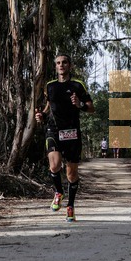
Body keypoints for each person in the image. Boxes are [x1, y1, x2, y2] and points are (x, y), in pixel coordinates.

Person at [35, 53, 94, 222]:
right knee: (54, 166)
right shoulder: (50, 86)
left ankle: (71, 206)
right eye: (58, 63)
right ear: (56, 67)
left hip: (72, 132)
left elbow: (91, 108)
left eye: (64, 62)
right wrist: (42, 116)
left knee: (71, 174)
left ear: (70, 65)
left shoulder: (77, 85)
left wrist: (79, 104)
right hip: (53, 130)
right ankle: (58, 192)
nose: (61, 65)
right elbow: (48, 107)